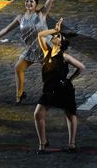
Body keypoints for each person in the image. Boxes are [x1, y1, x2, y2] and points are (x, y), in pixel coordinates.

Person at [0, 0, 64, 103]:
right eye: (27, 1)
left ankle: (57, 95)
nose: (28, 3)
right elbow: (6, 29)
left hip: (45, 48)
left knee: (50, 75)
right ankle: (19, 95)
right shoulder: (20, 17)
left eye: (31, 2)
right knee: (18, 67)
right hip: (32, 49)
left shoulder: (41, 14)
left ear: (36, 5)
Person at [34, 18, 85, 154]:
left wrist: (70, 79)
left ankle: (72, 144)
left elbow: (81, 67)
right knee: (38, 114)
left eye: (57, 36)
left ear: (61, 43)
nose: (54, 37)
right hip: (49, 90)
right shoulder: (47, 52)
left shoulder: (65, 56)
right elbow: (40, 35)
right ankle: (42, 143)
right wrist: (55, 30)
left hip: (63, 90)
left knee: (70, 114)